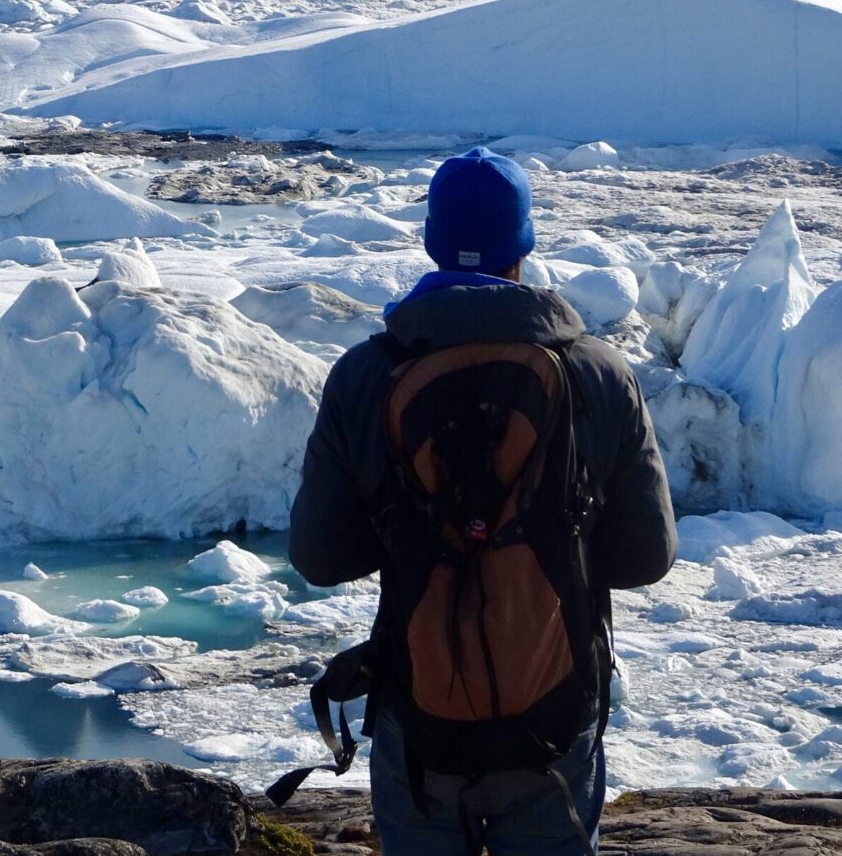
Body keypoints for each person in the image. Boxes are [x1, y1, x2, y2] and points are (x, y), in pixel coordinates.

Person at [287, 147, 676, 856]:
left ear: (432, 240)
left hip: (421, 718)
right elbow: (647, 558)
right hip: (556, 717)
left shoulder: (368, 374)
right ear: (522, 246)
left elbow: (320, 557)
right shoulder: (598, 373)